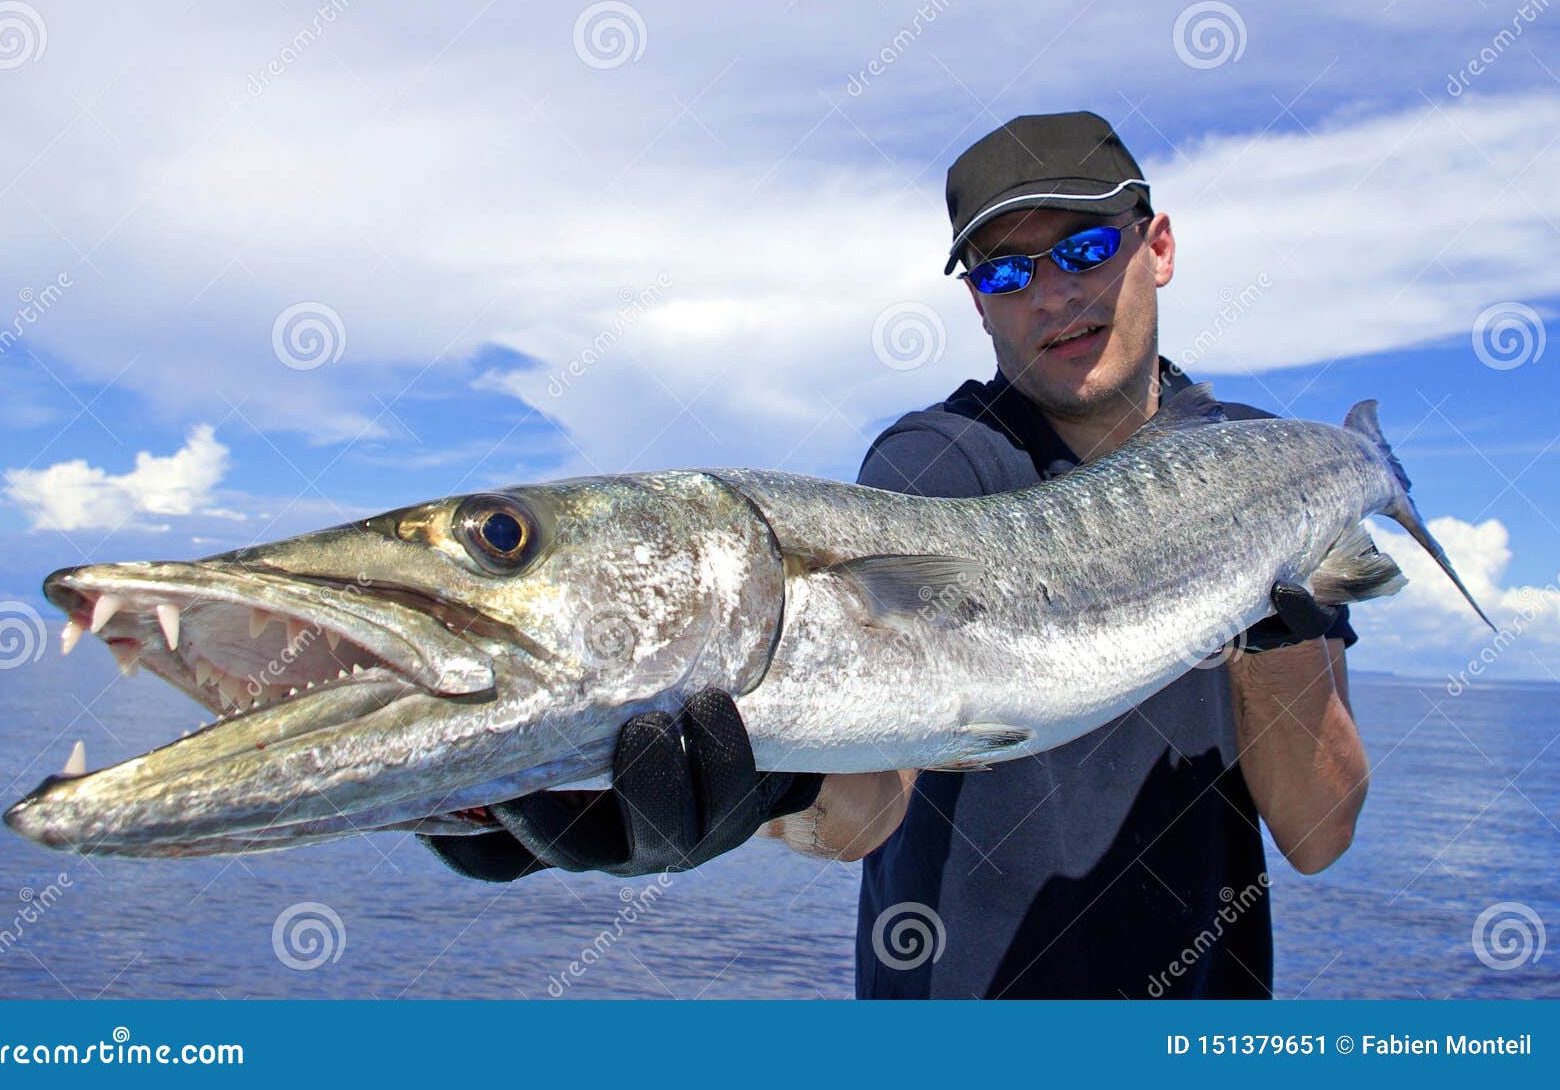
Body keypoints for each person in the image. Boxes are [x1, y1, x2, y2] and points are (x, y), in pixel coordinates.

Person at [421, 110, 1368, 1000]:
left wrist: (1285, 631)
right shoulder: (931, 469)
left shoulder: (1265, 464)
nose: (1052, 295)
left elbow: (1319, 832)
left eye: (1083, 248)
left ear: (1156, 248)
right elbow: (870, 805)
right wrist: (762, 796)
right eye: (1005, 273)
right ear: (975, 302)